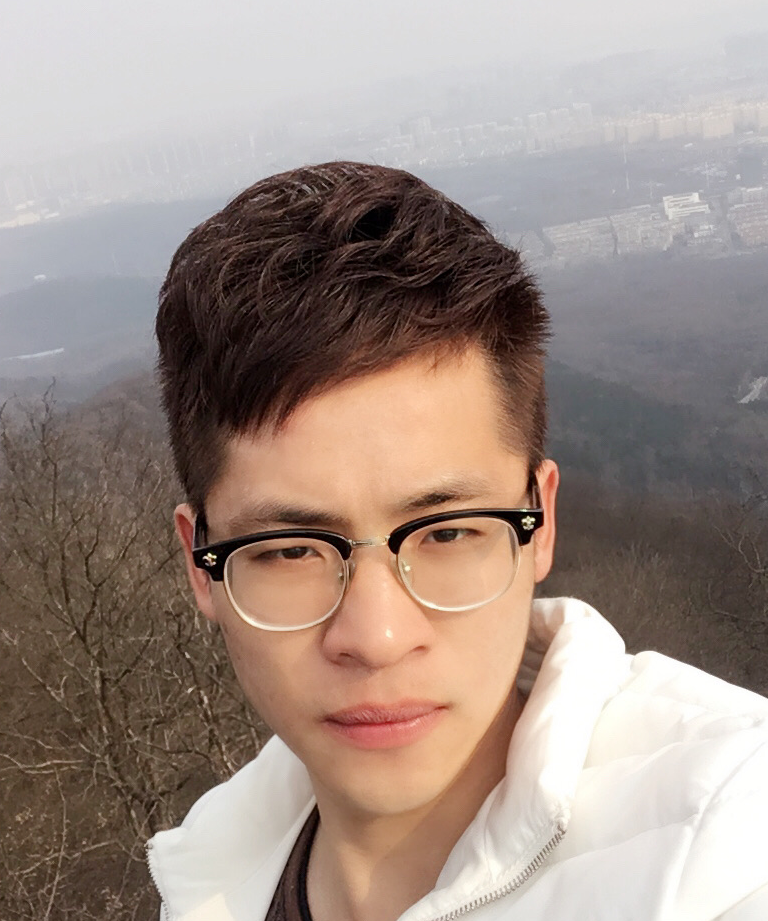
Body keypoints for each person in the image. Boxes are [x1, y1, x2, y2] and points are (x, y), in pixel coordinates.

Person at [147, 161, 768, 921]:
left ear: (540, 523)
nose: (376, 638)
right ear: (201, 566)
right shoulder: (206, 875)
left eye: (446, 531)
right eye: (291, 549)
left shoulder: (723, 839)